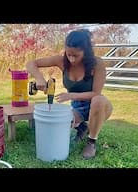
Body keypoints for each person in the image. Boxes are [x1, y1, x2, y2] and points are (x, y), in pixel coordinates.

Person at [26, 29, 113, 159]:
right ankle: (81, 127)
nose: (71, 59)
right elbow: (31, 63)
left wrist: (71, 95)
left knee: (98, 100)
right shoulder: (61, 61)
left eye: (76, 55)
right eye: (68, 54)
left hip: (99, 106)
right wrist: (39, 78)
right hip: (77, 107)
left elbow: (95, 93)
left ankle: (91, 142)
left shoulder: (97, 64)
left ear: (86, 51)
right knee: (59, 126)